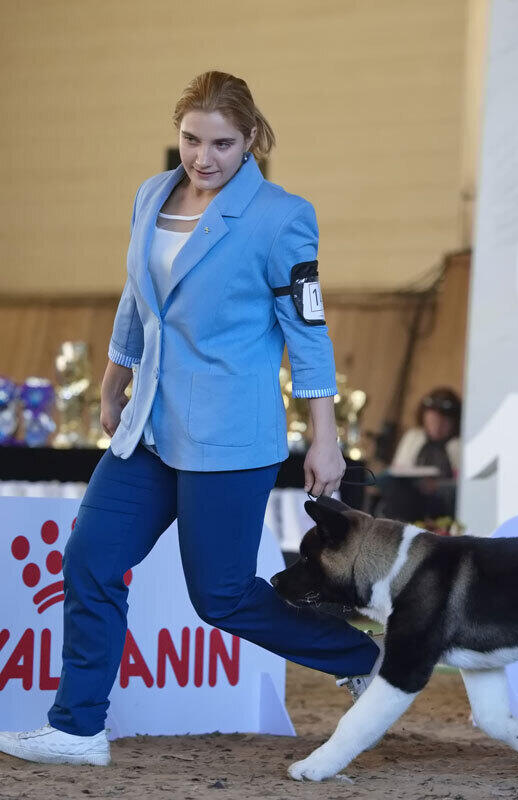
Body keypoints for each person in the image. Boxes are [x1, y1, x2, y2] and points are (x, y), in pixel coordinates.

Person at [0, 71, 380, 766]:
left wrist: (324, 438)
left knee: (223, 597)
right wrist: (115, 378)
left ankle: (363, 659)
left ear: (252, 140)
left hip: (230, 437)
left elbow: (308, 334)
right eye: (191, 139)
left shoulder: (280, 216)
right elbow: (137, 296)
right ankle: (78, 727)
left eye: (223, 144)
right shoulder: (152, 193)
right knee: (90, 559)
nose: (203, 158)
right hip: (147, 427)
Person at [377, 388, 461, 521]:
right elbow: (399, 469)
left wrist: (437, 486)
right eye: (433, 421)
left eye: (444, 423)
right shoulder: (414, 437)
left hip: (441, 501)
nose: (437, 427)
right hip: (411, 494)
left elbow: (463, 485)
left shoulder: (458, 445)